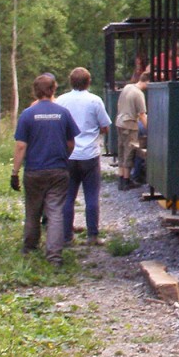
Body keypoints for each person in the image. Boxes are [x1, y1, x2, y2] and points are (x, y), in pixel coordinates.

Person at [11, 73, 78, 266]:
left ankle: (30, 249)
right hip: (58, 170)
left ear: (35, 91)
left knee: (33, 210)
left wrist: (14, 173)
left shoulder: (27, 114)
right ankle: (54, 257)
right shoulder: (63, 113)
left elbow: (21, 146)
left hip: (34, 170)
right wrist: (63, 156)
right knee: (56, 212)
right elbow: (71, 143)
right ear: (53, 89)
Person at [56, 68, 112, 246]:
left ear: (70, 81)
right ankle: (92, 236)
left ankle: (66, 237)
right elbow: (105, 126)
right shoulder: (95, 101)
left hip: (68, 155)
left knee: (68, 197)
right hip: (89, 154)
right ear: (88, 82)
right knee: (91, 196)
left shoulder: (61, 100)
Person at [115, 72, 149, 190]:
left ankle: (120, 179)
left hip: (119, 122)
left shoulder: (128, 87)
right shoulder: (139, 94)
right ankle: (126, 181)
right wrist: (149, 129)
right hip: (130, 125)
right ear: (147, 81)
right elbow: (142, 115)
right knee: (129, 153)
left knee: (121, 151)